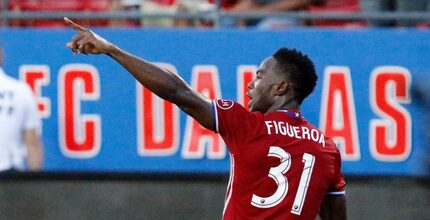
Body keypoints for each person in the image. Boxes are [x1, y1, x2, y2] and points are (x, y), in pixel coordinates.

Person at [64, 17, 347, 219]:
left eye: (260, 76)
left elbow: (177, 91)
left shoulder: (248, 126)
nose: (251, 84)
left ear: (281, 87)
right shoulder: (327, 149)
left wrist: (112, 49)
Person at [0, 44, 43, 173]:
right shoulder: (20, 91)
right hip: (10, 176)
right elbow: (32, 144)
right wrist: (34, 188)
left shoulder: (20, 91)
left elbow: (32, 144)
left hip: (9, 174)